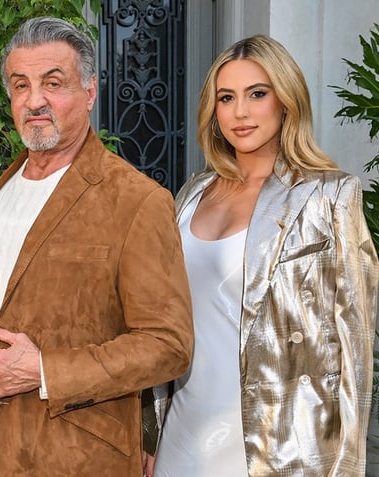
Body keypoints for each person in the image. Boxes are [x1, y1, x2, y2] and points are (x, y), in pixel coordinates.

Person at [0, 16, 194, 476]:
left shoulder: (136, 200)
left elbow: (168, 344)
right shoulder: (5, 187)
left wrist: (45, 370)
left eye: (54, 82)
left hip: (73, 458)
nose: (35, 100)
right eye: (20, 84)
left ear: (90, 92)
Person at [150, 35, 379, 476]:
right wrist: (148, 433)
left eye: (257, 94)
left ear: (286, 99)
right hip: (181, 431)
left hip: (279, 444)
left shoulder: (328, 197)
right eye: (226, 97)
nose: (240, 111)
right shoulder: (191, 194)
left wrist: (345, 465)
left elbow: (355, 349)